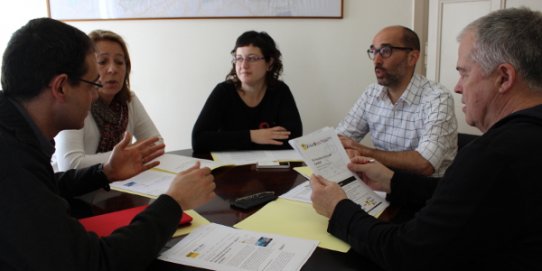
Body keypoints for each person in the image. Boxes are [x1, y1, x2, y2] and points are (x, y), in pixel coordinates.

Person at [310, 8, 542, 270]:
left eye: (464, 73)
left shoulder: (494, 154)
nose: (457, 86)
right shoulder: (523, 140)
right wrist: (392, 181)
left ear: (504, 77)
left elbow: (405, 253)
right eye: (373, 51)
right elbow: (468, 195)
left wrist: (337, 208)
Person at [0, 18, 215, 270]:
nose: (94, 95)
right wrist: (174, 202)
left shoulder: (16, 139)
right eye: (92, 84)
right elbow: (97, 263)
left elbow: (47, 185)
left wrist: (105, 172)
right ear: (60, 87)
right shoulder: (11, 164)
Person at [335, 26, 457, 177]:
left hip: (424, 192)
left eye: (386, 51)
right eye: (373, 51)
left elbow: (425, 163)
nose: (376, 61)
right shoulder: (371, 93)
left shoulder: (438, 98)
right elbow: (340, 139)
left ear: (412, 57)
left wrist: (365, 151)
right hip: (380, 184)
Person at [54, 29, 162, 171]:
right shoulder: (75, 101)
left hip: (116, 186)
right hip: (70, 190)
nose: (112, 69)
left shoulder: (129, 100)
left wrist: (127, 154)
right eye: (102, 62)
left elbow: (157, 145)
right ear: (87, 67)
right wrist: (127, 154)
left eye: (119, 62)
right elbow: (70, 165)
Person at [192, 30, 302, 152]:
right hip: (230, 168)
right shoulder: (223, 91)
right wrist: (252, 136)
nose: (244, 65)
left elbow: (294, 138)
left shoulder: (280, 91)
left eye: (252, 58)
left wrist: (230, 140)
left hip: (270, 166)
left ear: (269, 63)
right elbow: (199, 140)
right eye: (239, 58)